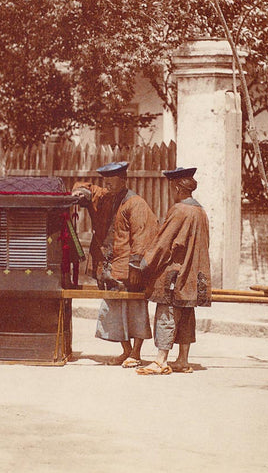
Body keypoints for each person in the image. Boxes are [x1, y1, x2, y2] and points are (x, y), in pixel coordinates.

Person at [72, 161, 159, 368]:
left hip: (127, 268)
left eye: (112, 181)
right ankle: (126, 351)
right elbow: (85, 187)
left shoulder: (135, 203)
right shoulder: (104, 198)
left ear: (123, 180)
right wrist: (81, 192)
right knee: (114, 310)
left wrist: (136, 267)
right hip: (108, 267)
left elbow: (143, 235)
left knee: (136, 310)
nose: (108, 185)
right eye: (106, 182)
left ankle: (136, 353)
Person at [136, 166, 211, 376]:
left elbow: (163, 244)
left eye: (172, 187)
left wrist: (145, 264)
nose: (171, 191)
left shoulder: (179, 210)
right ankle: (183, 360)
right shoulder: (201, 211)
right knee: (187, 313)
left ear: (178, 188)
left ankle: (161, 360)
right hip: (193, 273)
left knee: (166, 313)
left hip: (176, 273)